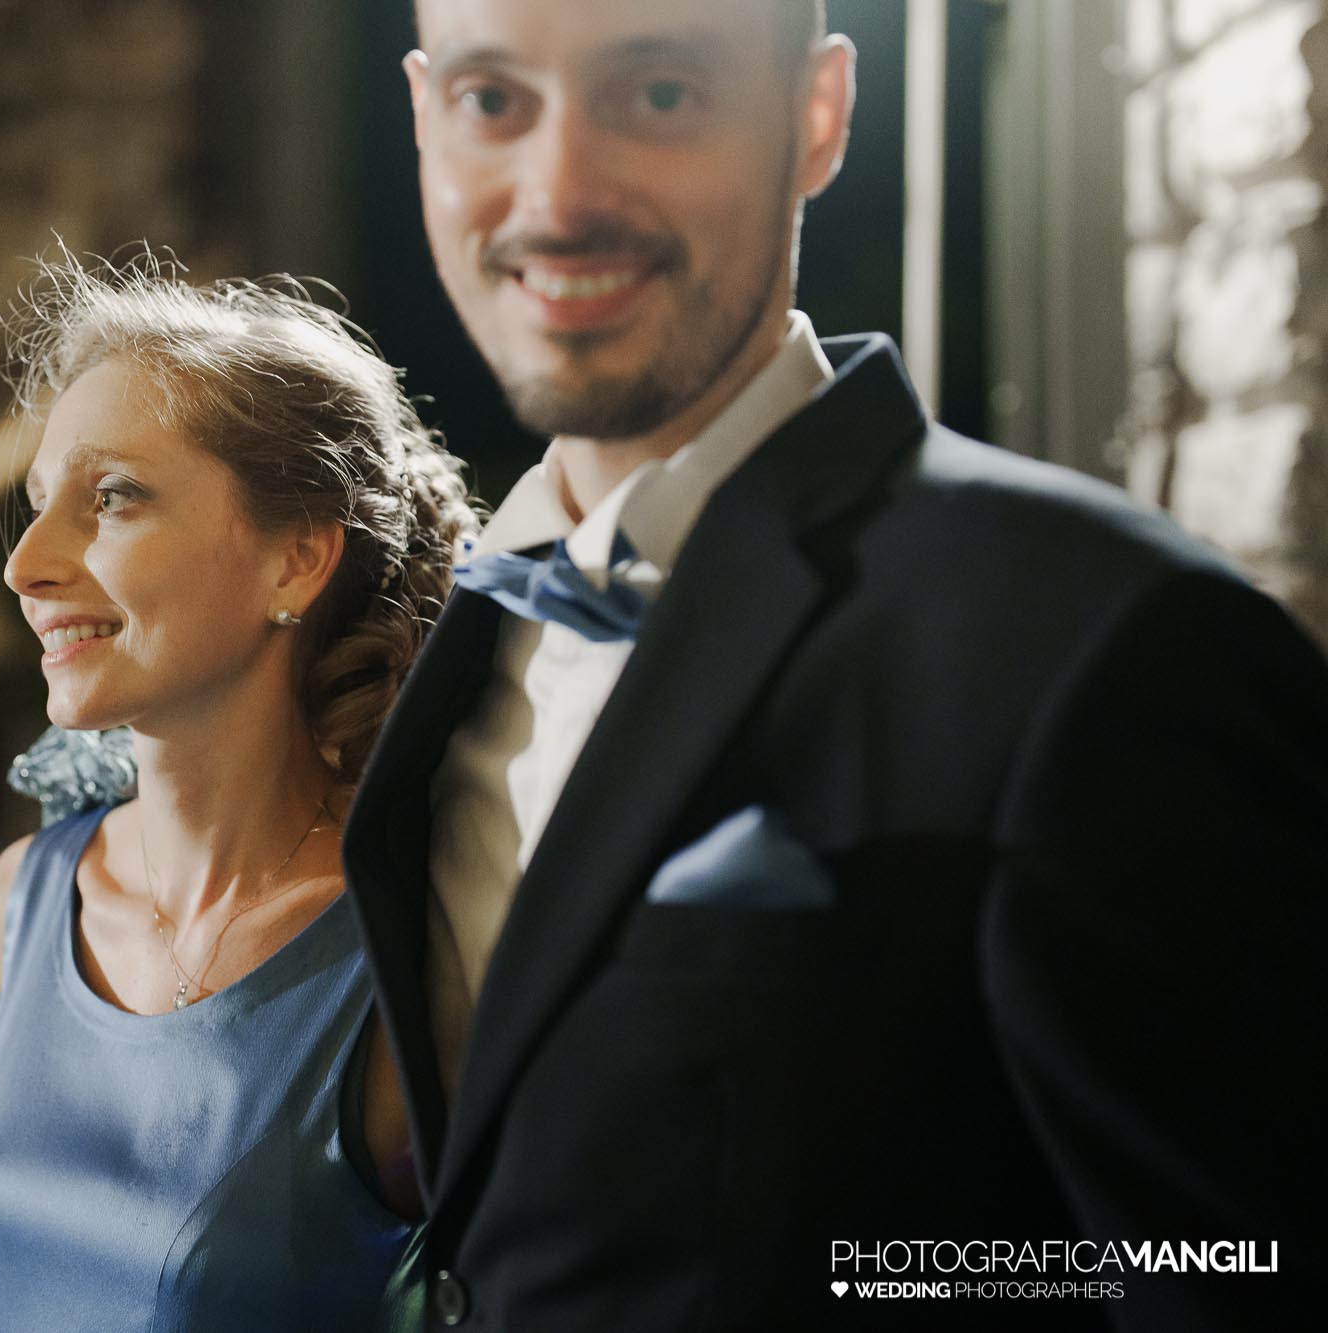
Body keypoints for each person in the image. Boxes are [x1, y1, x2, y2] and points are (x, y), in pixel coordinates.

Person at [339, 0, 1326, 1328]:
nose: (559, 193)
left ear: (817, 117)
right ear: (424, 118)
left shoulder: (1112, 641)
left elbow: (1237, 1269)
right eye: (493, 102)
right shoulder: (458, 640)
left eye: (664, 95)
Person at [0, 261, 477, 1330]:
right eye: (37, 499)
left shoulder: (412, 968)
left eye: (110, 498)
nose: (26, 563)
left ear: (295, 559)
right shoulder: (20, 903)